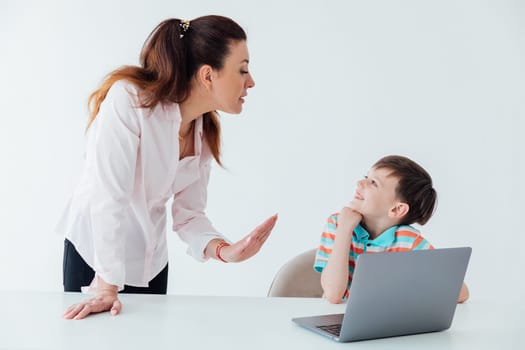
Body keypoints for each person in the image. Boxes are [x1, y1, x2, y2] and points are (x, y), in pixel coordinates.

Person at [57, 15, 278, 320]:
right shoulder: (130, 101)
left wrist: (226, 251)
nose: (250, 81)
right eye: (242, 70)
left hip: (150, 263)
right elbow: (108, 197)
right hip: (95, 258)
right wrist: (107, 286)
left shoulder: (204, 129)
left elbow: (189, 215)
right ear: (207, 75)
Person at [313, 155, 469, 304]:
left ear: (396, 210)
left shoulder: (408, 241)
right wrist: (344, 230)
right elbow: (333, 295)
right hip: (337, 317)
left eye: (373, 183)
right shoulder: (337, 224)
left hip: (383, 323)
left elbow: (462, 293)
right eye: (366, 177)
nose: (360, 183)